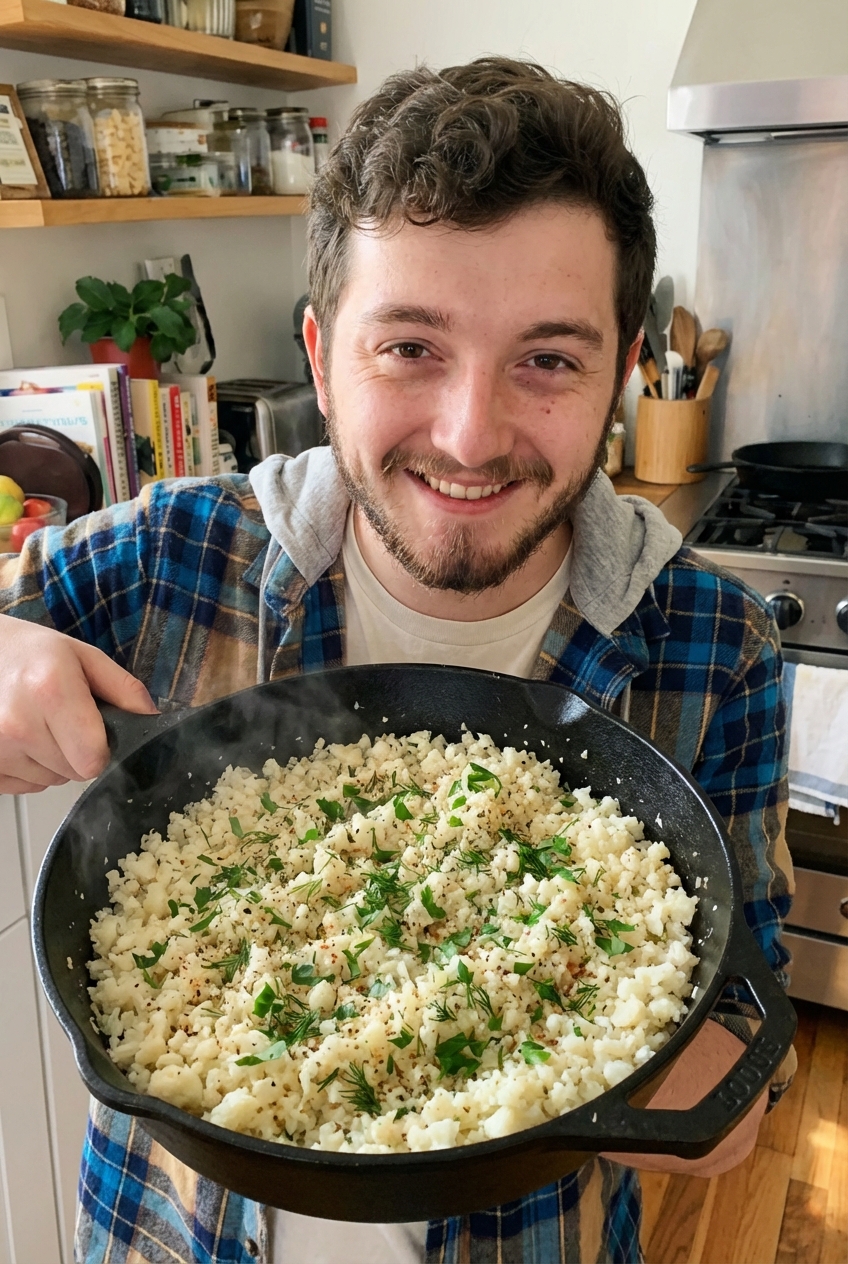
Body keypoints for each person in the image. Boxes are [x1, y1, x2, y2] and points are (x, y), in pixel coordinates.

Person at [0, 57, 794, 1264]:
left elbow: (750, 999)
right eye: (410, 346)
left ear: (623, 370)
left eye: (547, 358)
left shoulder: (711, 646)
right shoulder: (166, 558)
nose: (469, 435)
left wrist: (731, 1092)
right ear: (320, 359)